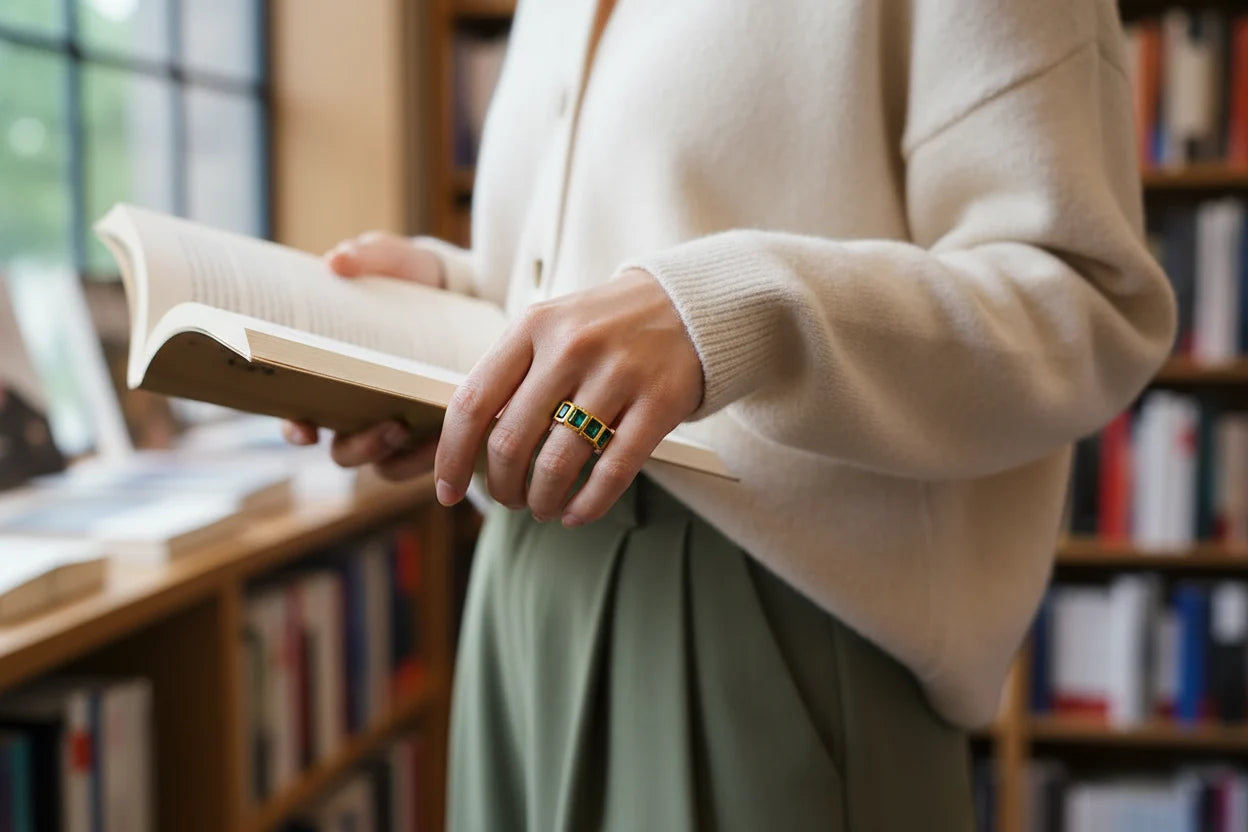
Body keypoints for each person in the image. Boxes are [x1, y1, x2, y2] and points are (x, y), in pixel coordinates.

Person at [285, 0, 1176, 828]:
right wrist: (457, 314)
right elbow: (603, 256)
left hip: (767, 626)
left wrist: (730, 313)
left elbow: (1085, 305)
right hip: (520, 600)